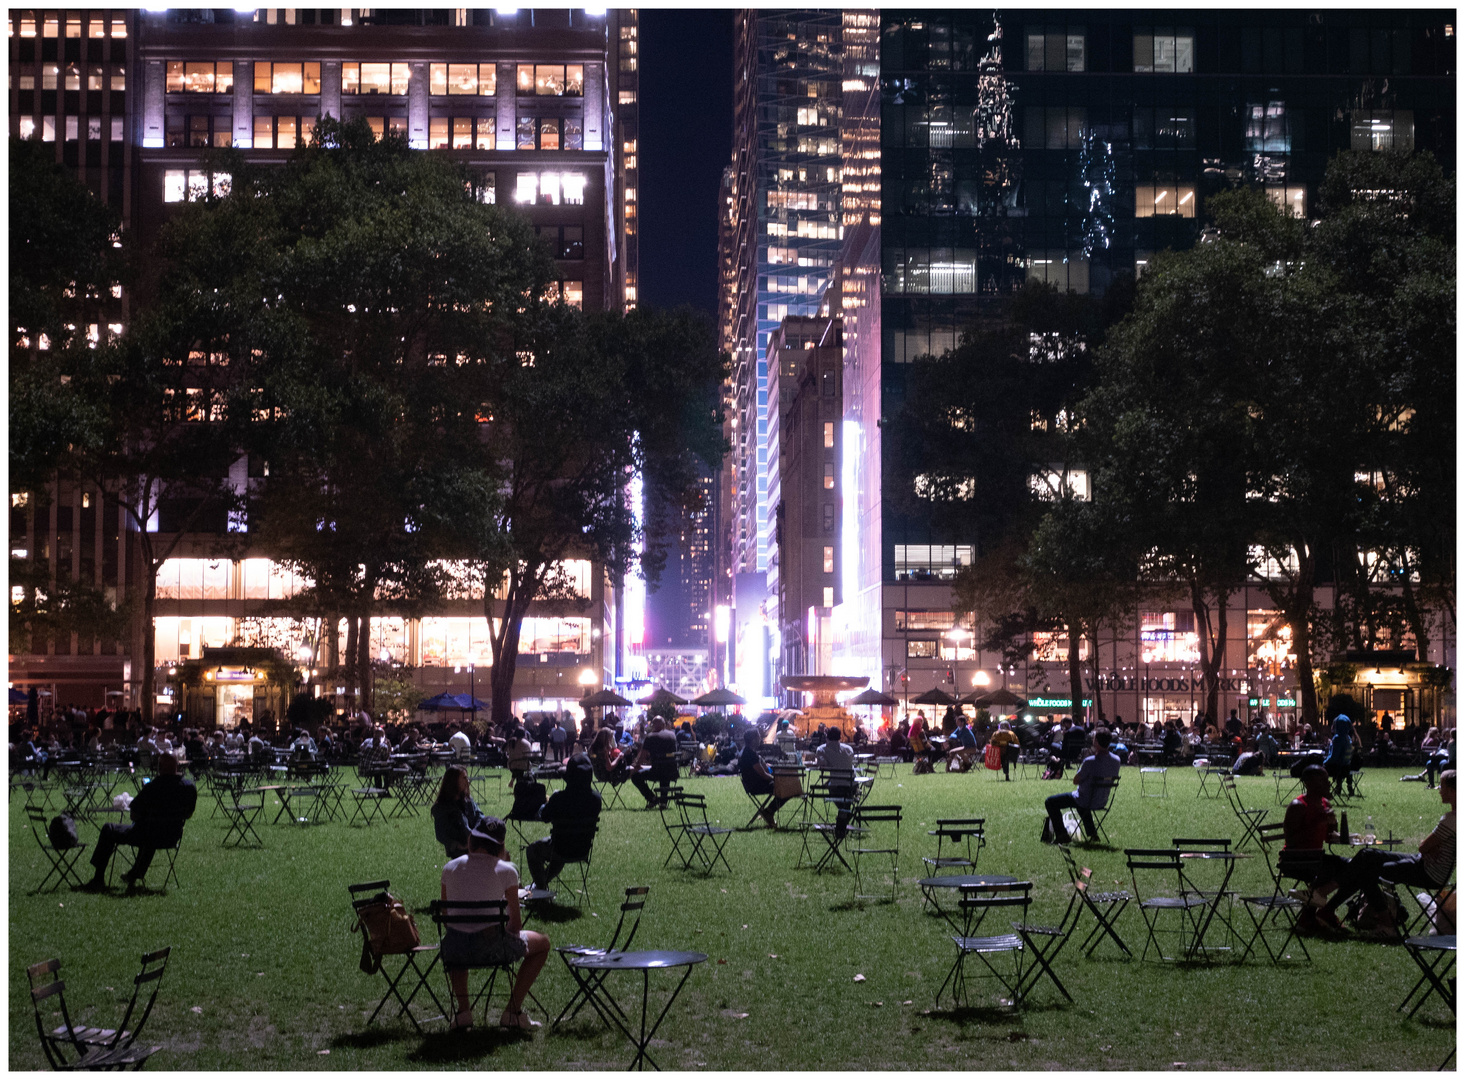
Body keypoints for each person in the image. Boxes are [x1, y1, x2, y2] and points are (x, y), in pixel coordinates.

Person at [440, 818, 550, 1031]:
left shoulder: (449, 868)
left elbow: (447, 918)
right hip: (493, 949)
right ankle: (512, 1011)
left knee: (459, 933)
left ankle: (463, 1011)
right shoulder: (507, 871)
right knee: (543, 943)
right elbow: (516, 926)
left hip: (454, 949)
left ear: (471, 839)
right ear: (501, 846)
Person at [1315, 770, 1455, 937]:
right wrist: (1432, 848)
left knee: (1367, 872)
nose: (1439, 789)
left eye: (1442, 786)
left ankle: (1387, 925)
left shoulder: (1452, 819)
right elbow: (1427, 848)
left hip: (1429, 873)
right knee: (1367, 855)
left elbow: (1423, 847)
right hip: (1424, 863)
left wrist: (1430, 848)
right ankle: (1327, 906)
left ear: (1453, 791)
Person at [83, 753, 198, 890]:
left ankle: (98, 878)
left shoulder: (153, 787)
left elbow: (134, 814)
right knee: (152, 830)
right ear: (177, 766)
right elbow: (189, 814)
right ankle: (135, 873)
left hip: (148, 835)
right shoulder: (189, 788)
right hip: (171, 836)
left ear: (159, 767)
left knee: (110, 828)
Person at [526, 752, 601, 891]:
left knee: (533, 850)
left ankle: (541, 889)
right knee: (560, 847)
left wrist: (546, 803)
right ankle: (540, 886)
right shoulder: (596, 799)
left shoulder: (560, 798)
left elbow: (544, 817)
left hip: (560, 848)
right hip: (582, 849)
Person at [1042, 729, 1121, 844]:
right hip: (1102, 800)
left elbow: (1075, 780)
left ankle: (1062, 834)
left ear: (1096, 742)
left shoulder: (1090, 761)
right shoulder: (1116, 760)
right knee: (1083, 799)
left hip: (1085, 799)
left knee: (1050, 802)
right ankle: (1092, 833)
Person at [432, 765, 487, 859]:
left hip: (476, 844)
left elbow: (480, 816)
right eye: (464, 778)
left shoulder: (468, 801)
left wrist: (476, 835)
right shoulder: (441, 807)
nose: (468, 781)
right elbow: (441, 834)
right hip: (459, 851)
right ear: (454, 781)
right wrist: (457, 845)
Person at [739, 728, 791, 827]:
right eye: (758, 736)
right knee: (786, 789)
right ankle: (769, 811)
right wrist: (775, 779)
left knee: (783, 787)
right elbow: (762, 773)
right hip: (757, 785)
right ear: (753, 739)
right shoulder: (750, 754)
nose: (760, 738)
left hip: (755, 783)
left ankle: (769, 811)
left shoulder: (747, 752)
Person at [814, 725, 857, 836]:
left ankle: (842, 821)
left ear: (827, 737)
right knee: (845, 803)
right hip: (851, 785)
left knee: (835, 791)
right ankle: (844, 818)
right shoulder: (848, 749)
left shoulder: (822, 749)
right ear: (840, 736)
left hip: (837, 786)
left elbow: (822, 765)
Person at [630, 715, 680, 809]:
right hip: (673, 771)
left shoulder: (650, 737)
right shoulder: (672, 735)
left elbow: (642, 756)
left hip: (657, 771)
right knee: (665, 770)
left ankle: (652, 798)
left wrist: (635, 766)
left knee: (635, 777)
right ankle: (663, 802)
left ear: (653, 725)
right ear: (664, 725)